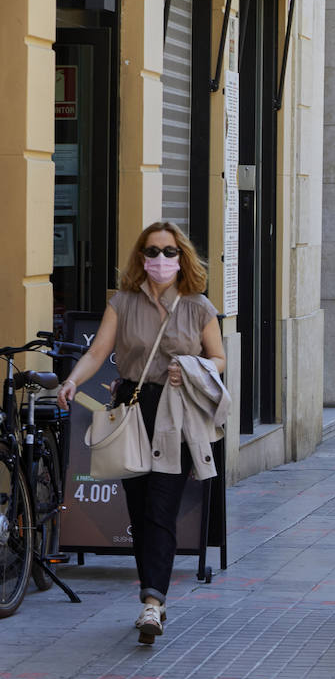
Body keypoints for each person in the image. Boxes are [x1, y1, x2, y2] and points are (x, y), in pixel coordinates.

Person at [56, 221, 226, 645]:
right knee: (139, 509)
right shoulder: (123, 302)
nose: (161, 260)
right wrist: (72, 381)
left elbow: (219, 358)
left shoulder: (198, 305)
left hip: (176, 411)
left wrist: (190, 366)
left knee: (161, 508)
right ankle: (154, 596)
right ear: (141, 257)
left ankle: (152, 601)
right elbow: (98, 351)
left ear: (182, 257)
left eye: (170, 252)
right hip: (132, 408)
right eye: (153, 252)